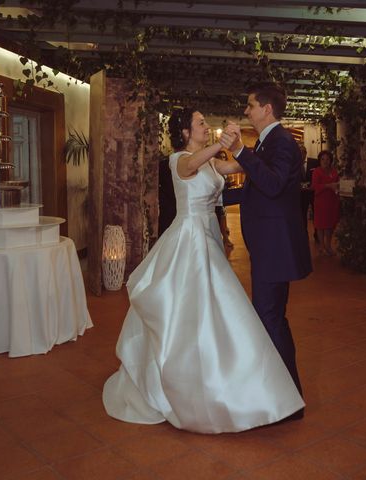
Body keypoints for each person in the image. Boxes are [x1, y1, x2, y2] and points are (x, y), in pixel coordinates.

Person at [102, 107, 304, 434]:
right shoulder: (179, 159)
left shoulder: (212, 162)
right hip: (188, 240)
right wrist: (223, 141)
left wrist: (256, 153)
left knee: (219, 311)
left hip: (209, 237)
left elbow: (237, 165)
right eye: (199, 123)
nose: (204, 127)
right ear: (185, 132)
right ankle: (183, 381)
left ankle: (223, 379)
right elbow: (193, 164)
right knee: (190, 311)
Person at [219, 83, 312, 415]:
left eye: (250, 105)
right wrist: (215, 198)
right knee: (271, 319)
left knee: (270, 319)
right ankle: (285, 395)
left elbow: (272, 185)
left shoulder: (283, 142)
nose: (246, 111)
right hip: (269, 246)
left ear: (267, 109)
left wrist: (242, 152)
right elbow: (257, 190)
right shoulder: (270, 141)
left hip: (275, 248)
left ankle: (287, 401)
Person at [312, 150, 340, 256]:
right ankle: (321, 246)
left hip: (332, 201)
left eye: (327, 159)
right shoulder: (317, 171)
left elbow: (338, 183)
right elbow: (315, 186)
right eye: (323, 159)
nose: (325, 161)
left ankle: (328, 246)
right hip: (321, 201)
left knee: (330, 225)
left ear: (330, 160)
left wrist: (338, 186)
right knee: (320, 225)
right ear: (319, 160)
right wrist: (328, 186)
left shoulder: (334, 171)